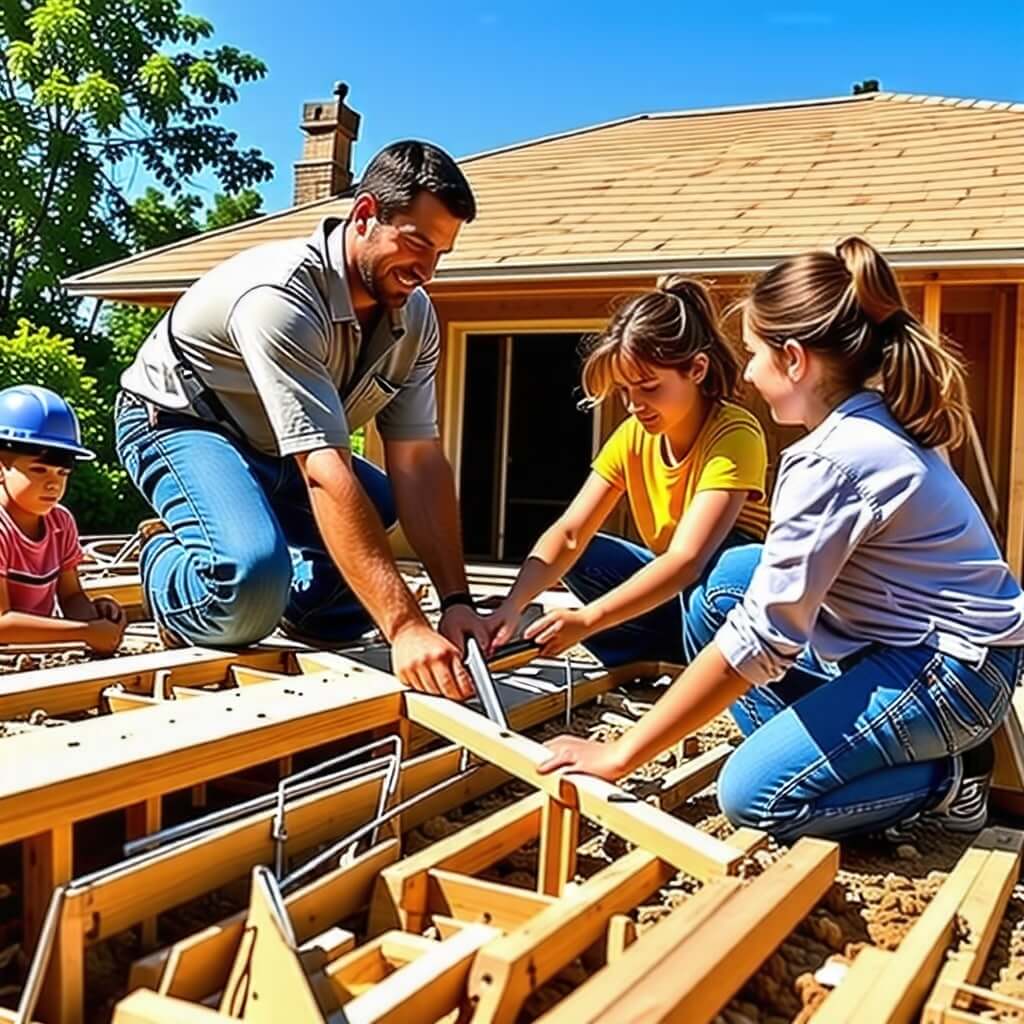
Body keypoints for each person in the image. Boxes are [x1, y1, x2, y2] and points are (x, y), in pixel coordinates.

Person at [539, 237, 1024, 841]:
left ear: (794, 359)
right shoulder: (869, 419)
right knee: (728, 582)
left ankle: (948, 779)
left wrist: (619, 753)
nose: (745, 371)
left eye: (753, 354)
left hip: (950, 674)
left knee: (755, 797)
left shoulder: (830, 460)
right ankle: (821, 750)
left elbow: (764, 638)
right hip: (926, 649)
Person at [115, 141, 489, 699]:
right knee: (246, 592)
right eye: (416, 244)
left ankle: (284, 582)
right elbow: (322, 470)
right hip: (182, 422)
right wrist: (405, 625)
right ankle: (167, 565)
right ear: (365, 215)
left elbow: (419, 463)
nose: (426, 273)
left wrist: (456, 602)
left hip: (276, 447)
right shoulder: (282, 297)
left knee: (353, 581)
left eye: (441, 253)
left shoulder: (414, 319)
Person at [487, 276, 769, 667]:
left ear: (697, 369)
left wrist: (588, 619)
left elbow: (687, 559)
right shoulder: (633, 436)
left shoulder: (734, 434)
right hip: (674, 592)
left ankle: (701, 659)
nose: (635, 405)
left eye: (649, 387)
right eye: (625, 391)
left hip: (720, 596)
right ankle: (658, 652)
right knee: (587, 553)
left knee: (716, 583)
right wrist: (512, 605)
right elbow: (570, 534)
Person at [0, 385, 126, 654]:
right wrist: (86, 633)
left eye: (62, 473)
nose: (53, 484)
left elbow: (70, 596)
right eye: (39, 470)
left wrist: (95, 616)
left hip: (35, 650)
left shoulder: (60, 523)